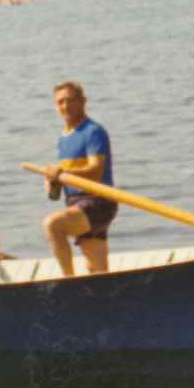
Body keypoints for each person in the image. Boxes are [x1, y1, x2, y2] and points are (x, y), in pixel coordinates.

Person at [35, 80, 117, 276]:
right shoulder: (63, 138)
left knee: (53, 225)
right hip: (75, 203)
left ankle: (68, 280)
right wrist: (52, 182)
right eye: (60, 102)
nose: (66, 106)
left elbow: (95, 170)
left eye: (70, 100)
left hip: (97, 202)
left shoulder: (92, 131)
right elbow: (59, 187)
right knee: (97, 271)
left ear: (82, 101)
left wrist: (62, 172)